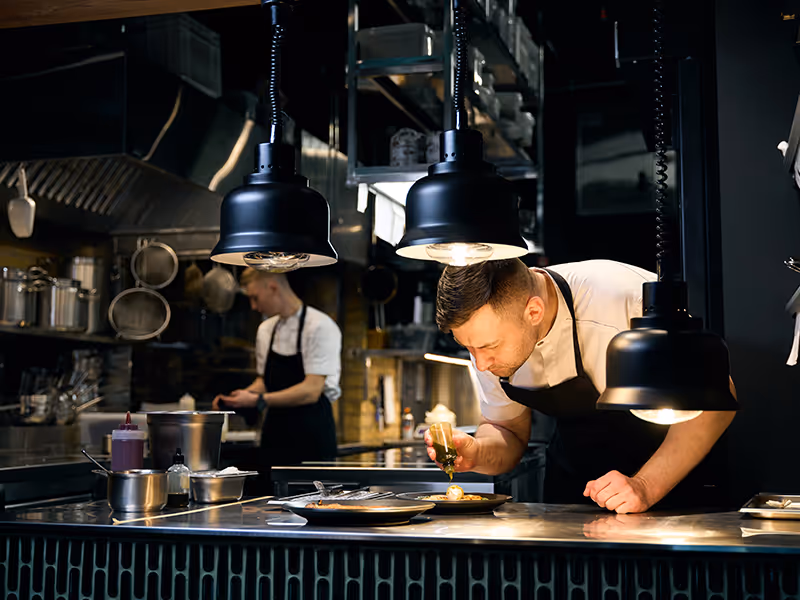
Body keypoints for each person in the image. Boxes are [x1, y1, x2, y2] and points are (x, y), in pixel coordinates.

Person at [425, 258, 736, 513]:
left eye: (489, 346)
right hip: (573, 495)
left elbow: (715, 404)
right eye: (468, 348)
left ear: (534, 311)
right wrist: (477, 452)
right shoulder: (488, 338)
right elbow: (506, 431)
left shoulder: (624, 301)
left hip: (671, 489)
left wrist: (645, 485)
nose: (480, 364)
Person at [213, 268, 341, 479]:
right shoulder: (266, 330)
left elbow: (312, 390)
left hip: (312, 435)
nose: (253, 306)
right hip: (276, 433)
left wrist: (258, 400)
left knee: (313, 499)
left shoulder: (320, 326)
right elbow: (266, 381)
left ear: (272, 287)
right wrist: (238, 399)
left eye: (255, 298)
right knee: (270, 500)